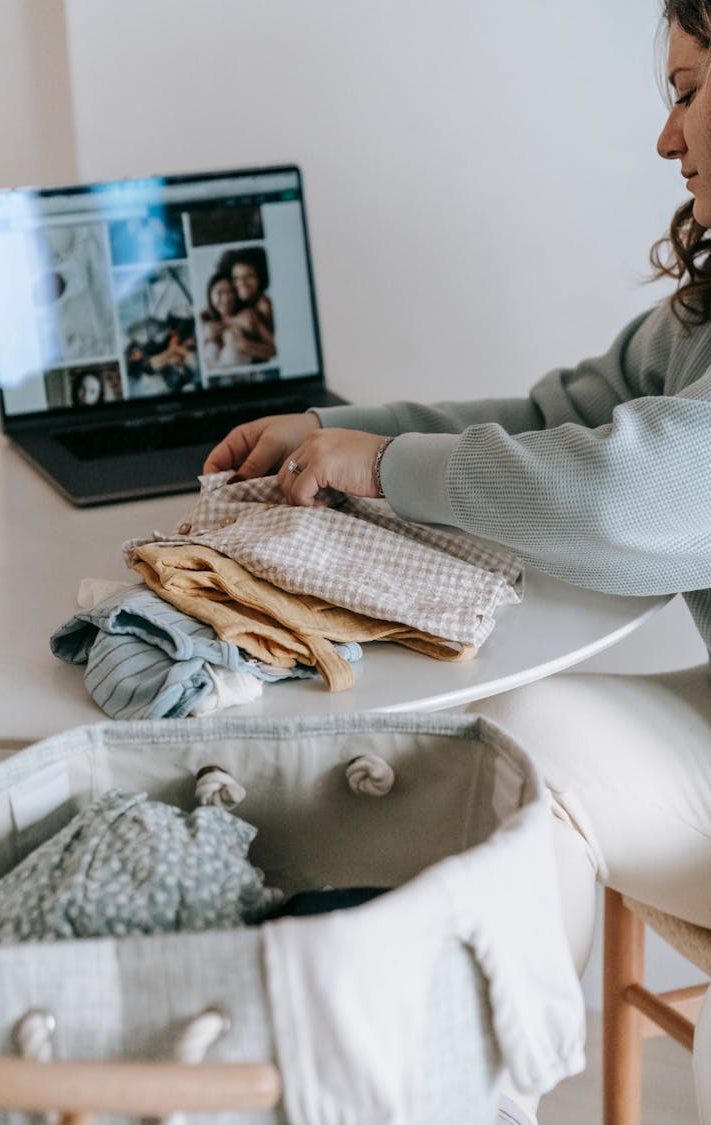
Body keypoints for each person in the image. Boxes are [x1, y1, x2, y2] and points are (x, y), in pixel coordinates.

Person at [204, 3, 711, 1121]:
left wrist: (380, 462)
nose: (665, 141)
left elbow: (641, 492)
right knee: (501, 757)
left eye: (685, 92)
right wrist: (333, 435)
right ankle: (454, 1082)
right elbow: (557, 414)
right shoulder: (700, 317)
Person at [202, 265, 276, 368]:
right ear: (210, 295)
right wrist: (204, 338)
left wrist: (244, 344)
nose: (226, 299)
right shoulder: (204, 319)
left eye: (230, 292)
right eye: (219, 292)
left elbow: (274, 350)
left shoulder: (247, 317)